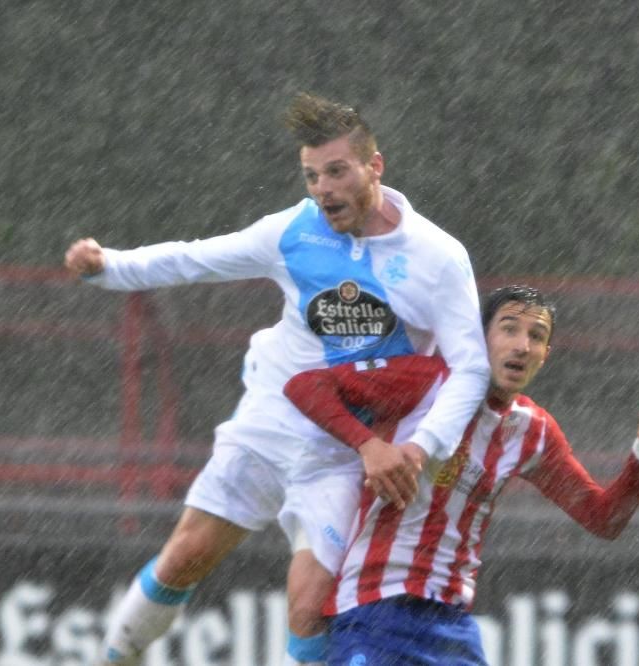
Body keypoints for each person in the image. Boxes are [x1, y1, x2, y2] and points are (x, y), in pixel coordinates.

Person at [62, 92, 491, 666]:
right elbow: (195, 259)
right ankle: (118, 654)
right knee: (186, 555)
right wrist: (108, 267)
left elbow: (471, 367)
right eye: (312, 175)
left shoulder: (437, 256)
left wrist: (417, 448)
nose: (323, 189)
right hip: (272, 419)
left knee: (310, 608)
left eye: (337, 172)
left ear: (375, 166)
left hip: (350, 452)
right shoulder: (292, 231)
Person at [282, 285, 639, 665]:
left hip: (449, 628)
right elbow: (306, 386)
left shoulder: (533, 431)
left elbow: (603, 518)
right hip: (373, 607)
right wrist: (368, 445)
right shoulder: (427, 381)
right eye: (509, 329)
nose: (522, 345)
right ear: (481, 338)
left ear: (546, 354)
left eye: (536, 336)